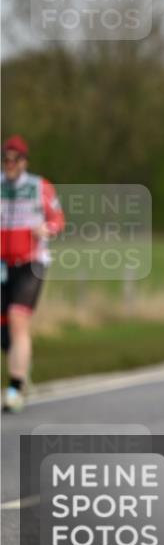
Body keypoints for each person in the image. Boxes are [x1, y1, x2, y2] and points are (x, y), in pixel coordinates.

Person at [1, 134, 64, 413]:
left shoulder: (40, 187)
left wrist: (46, 230)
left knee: (18, 318)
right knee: (6, 331)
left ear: (24, 162)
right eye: (6, 159)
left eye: (15, 159)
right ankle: (20, 367)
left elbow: (58, 220)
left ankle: (14, 389)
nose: (10, 164)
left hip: (31, 263)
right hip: (3, 265)